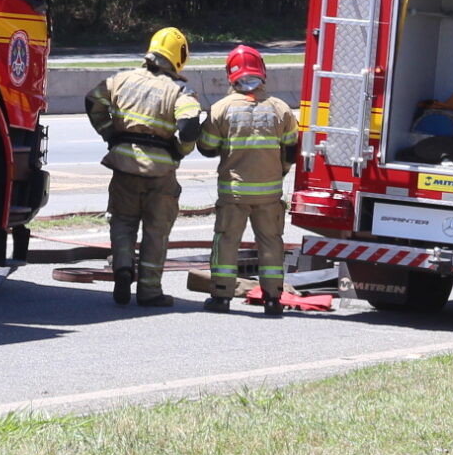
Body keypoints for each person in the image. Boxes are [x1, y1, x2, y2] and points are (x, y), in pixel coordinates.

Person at [84, 27, 204, 307]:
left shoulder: (120, 79)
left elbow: (92, 100)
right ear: (179, 57)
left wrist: (109, 133)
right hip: (160, 175)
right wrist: (180, 150)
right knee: (155, 231)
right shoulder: (179, 91)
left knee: (122, 222)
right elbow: (189, 127)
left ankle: (123, 268)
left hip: (124, 167)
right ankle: (149, 292)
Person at [198, 45, 300, 316]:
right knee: (270, 242)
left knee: (226, 241)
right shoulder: (281, 109)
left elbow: (207, 147)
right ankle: (273, 300)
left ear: (230, 74)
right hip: (269, 194)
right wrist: (279, 172)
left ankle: (221, 297)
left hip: (234, 193)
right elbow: (291, 150)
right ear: (262, 71)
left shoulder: (221, 109)